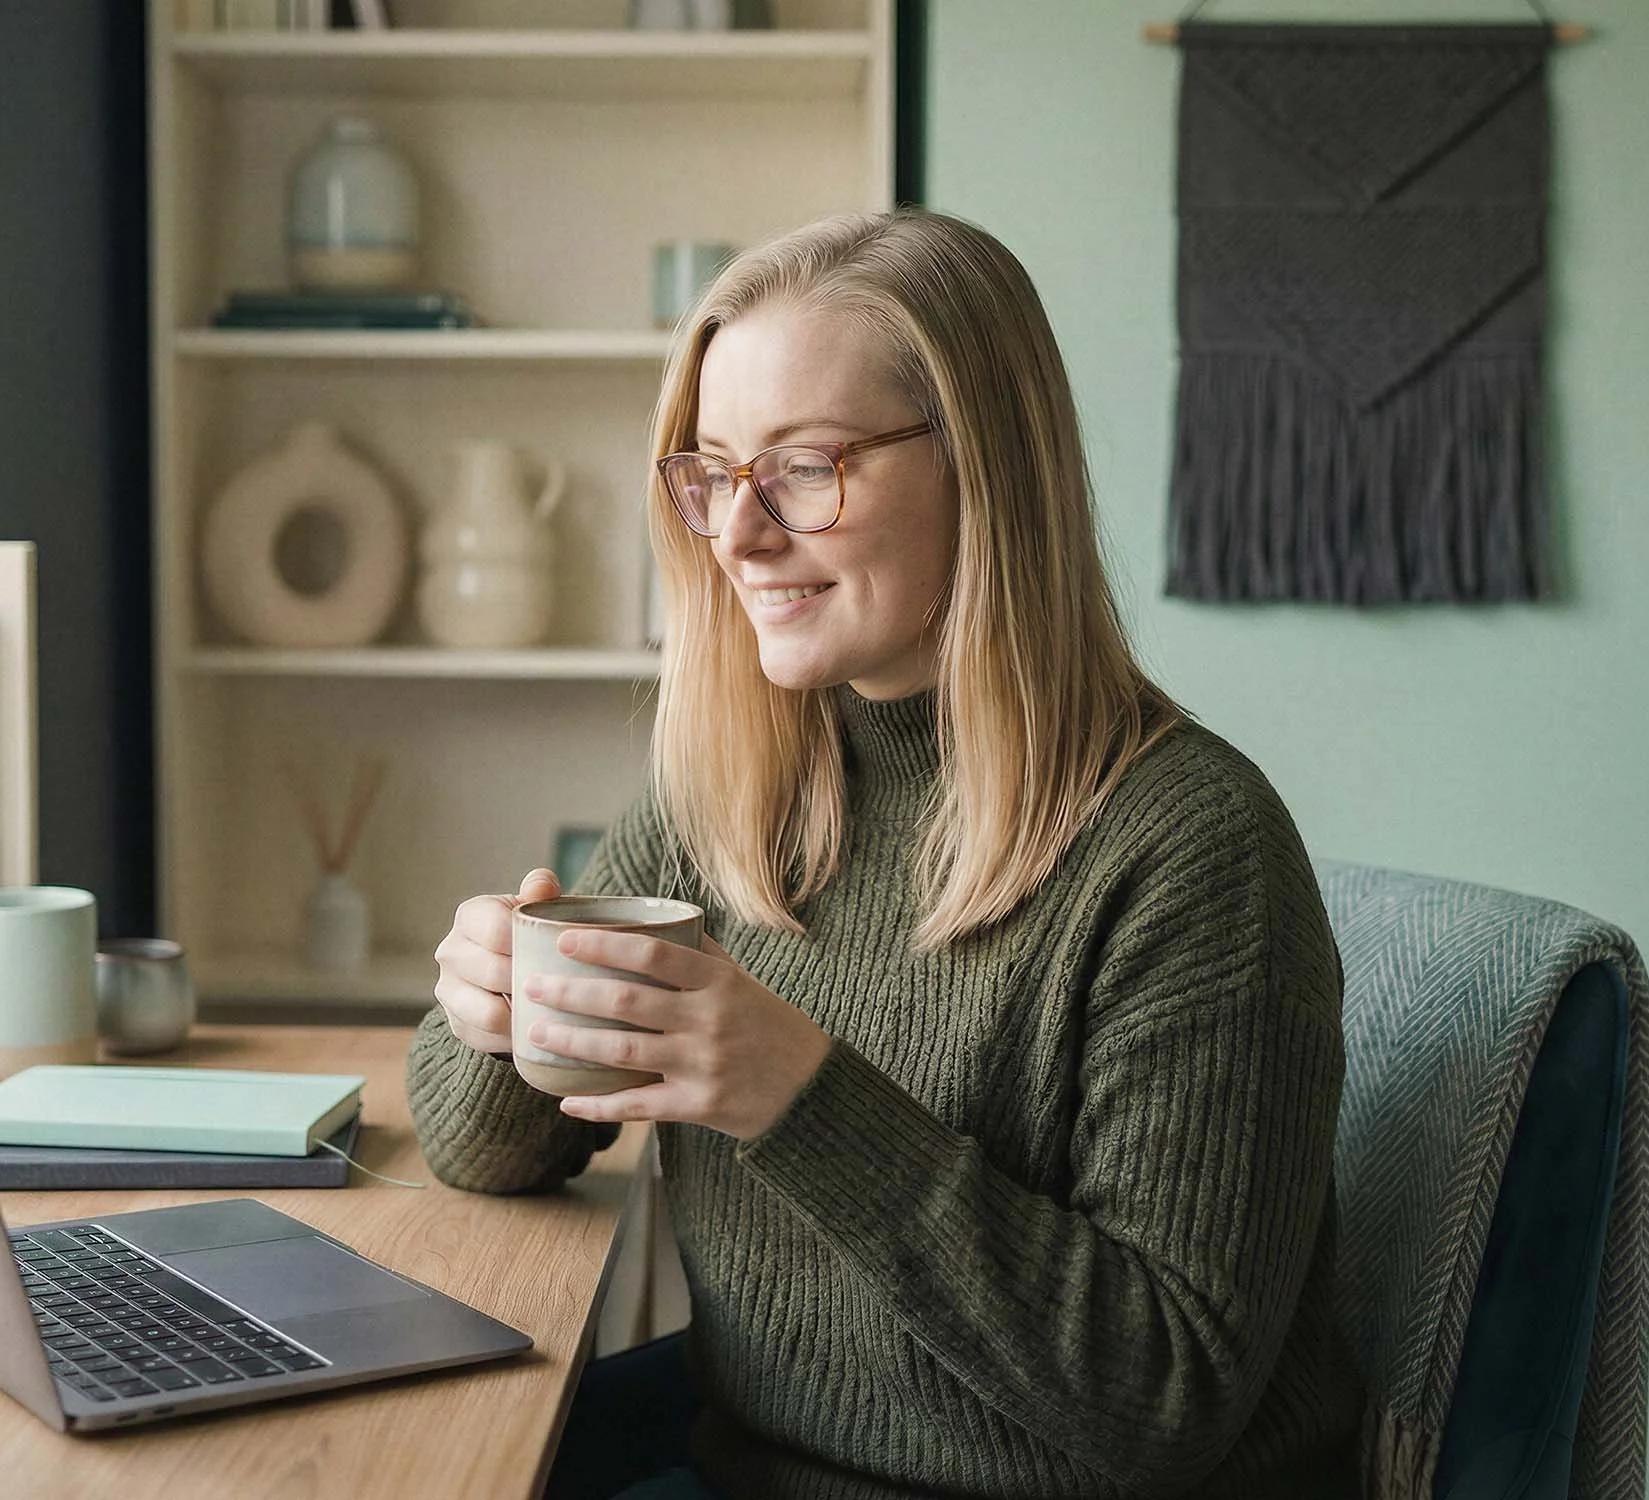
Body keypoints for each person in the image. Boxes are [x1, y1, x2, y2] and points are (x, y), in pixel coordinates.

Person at [407, 209, 1363, 1500]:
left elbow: (1165, 1396)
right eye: (713, 474)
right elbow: (479, 1151)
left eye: (803, 468)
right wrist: (492, 1013)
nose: (737, 536)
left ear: (984, 467)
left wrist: (798, 1097)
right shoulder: (740, 788)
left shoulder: (1192, 850)